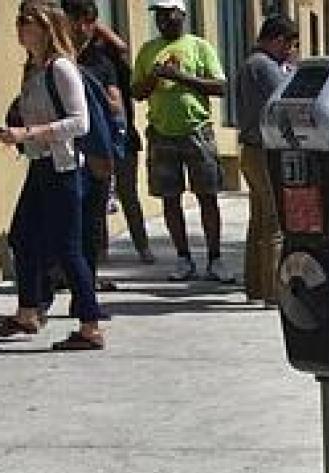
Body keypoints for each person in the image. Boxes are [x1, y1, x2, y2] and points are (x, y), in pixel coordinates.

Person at [0, 2, 109, 350]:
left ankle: (90, 325)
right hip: (42, 164)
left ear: (45, 28)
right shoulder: (35, 69)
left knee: (67, 248)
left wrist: (29, 133)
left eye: (27, 22)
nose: (20, 27)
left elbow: (79, 122)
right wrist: (13, 133)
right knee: (22, 237)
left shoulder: (61, 69)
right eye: (18, 21)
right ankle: (28, 311)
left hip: (63, 168)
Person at [132, 0, 230, 283]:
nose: (162, 19)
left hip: (197, 131)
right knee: (169, 199)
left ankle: (215, 259)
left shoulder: (199, 47)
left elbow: (219, 87)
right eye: (158, 15)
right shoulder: (148, 50)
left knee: (207, 196)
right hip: (161, 133)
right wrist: (154, 78)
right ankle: (183, 258)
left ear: (182, 15)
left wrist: (180, 77)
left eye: (167, 13)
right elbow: (137, 91)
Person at [59, 0, 125, 295]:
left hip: (94, 150)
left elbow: (115, 104)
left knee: (92, 222)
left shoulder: (100, 61)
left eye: (78, 20)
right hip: (60, 150)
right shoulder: (56, 58)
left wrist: (82, 87)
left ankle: (87, 284)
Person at [234, 14, 297, 307]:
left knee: (259, 220)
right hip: (263, 150)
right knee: (273, 221)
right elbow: (289, 96)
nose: (290, 51)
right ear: (277, 39)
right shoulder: (263, 65)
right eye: (289, 44)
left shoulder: (250, 64)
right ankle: (273, 292)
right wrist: (293, 71)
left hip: (250, 149)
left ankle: (256, 286)